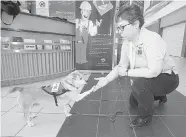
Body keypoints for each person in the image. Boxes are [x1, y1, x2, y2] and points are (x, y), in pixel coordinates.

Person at [93, 4, 179, 128]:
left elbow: (154, 71)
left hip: (168, 78)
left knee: (139, 86)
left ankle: (146, 117)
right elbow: (121, 66)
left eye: (122, 27)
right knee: (133, 103)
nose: (119, 31)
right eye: (118, 28)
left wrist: (128, 73)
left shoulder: (152, 40)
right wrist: (106, 79)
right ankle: (159, 95)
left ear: (136, 24)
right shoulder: (127, 43)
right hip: (151, 78)